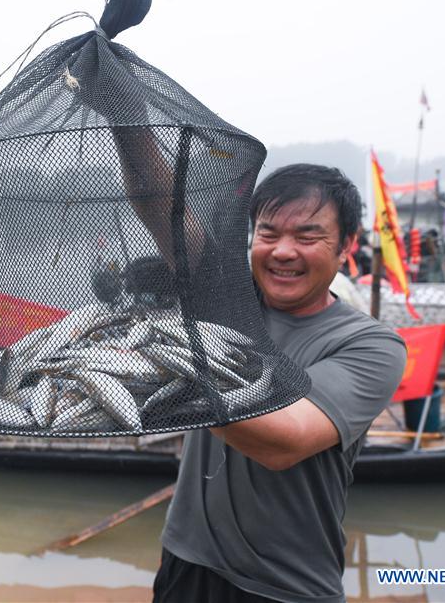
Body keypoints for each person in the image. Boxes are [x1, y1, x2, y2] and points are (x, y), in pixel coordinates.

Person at [110, 129, 407, 602]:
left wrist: (161, 371)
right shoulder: (226, 298)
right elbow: (157, 205)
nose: (283, 251)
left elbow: (282, 443)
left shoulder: (370, 346)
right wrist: (125, 117)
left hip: (285, 585)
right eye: (269, 233)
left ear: (346, 245)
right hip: (186, 562)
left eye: (308, 236)